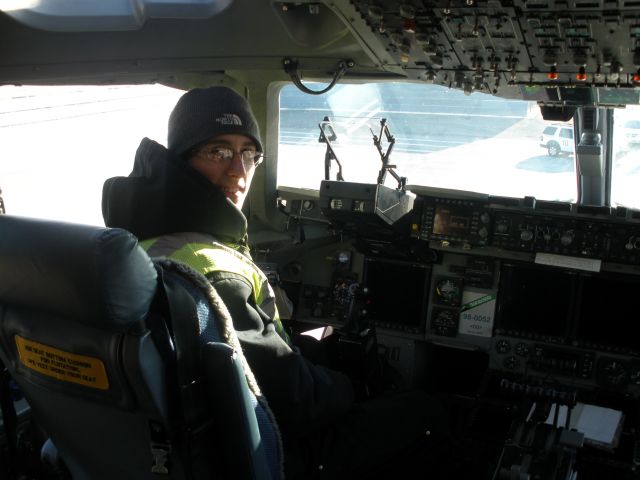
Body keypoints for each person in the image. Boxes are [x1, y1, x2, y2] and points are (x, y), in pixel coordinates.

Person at [102, 86, 453, 479]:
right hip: (270, 453)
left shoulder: (142, 238)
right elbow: (297, 404)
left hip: (191, 438)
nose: (239, 171)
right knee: (426, 412)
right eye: (218, 152)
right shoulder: (213, 271)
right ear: (181, 160)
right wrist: (353, 388)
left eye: (250, 154)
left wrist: (316, 357)